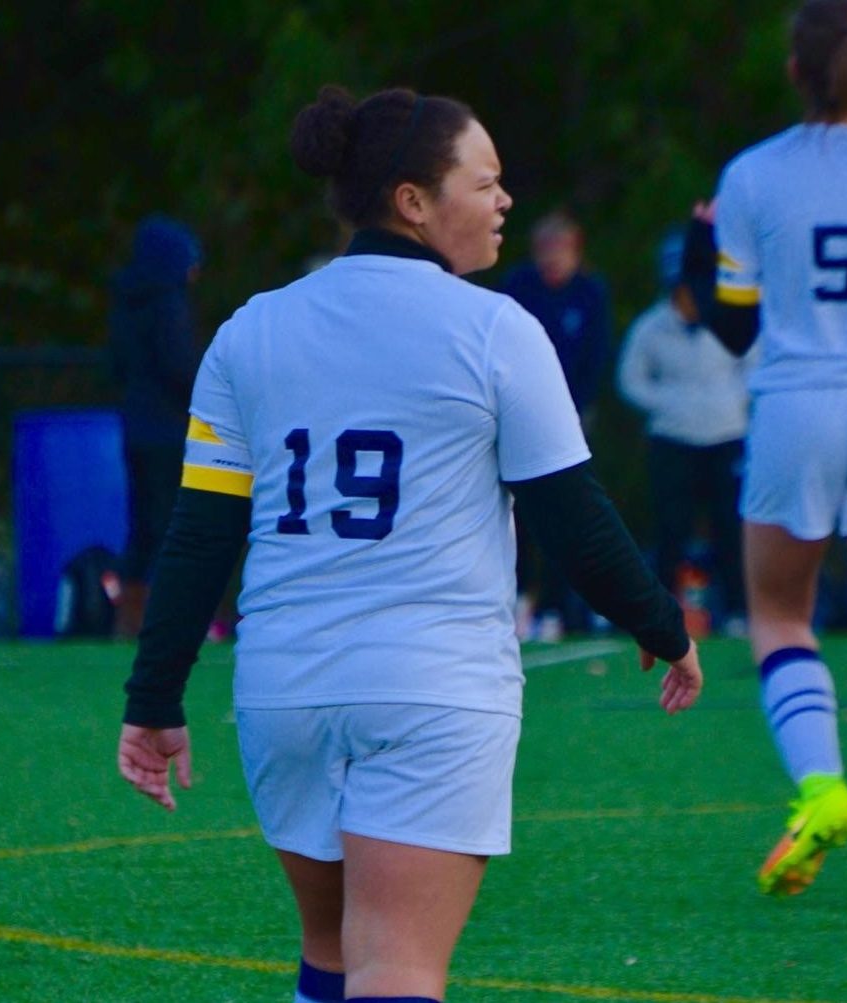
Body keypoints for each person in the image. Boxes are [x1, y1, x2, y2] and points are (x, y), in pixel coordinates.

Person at [117, 84, 702, 1003]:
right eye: (486, 181)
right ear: (412, 201)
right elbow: (572, 517)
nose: (505, 201)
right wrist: (663, 625)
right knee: (396, 969)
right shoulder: (497, 329)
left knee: (331, 958)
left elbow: (200, 536)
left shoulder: (249, 331)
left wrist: (153, 697)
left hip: (287, 691)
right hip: (433, 689)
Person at [687, 0, 847, 909]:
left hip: (796, 408)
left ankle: (820, 789)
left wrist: (694, 238)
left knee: (780, 614)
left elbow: (731, 325)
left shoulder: (751, 177)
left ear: (795, 70)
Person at [617, 227, 755, 636]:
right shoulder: (651, 328)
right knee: (672, 529)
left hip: (726, 434)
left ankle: (738, 613)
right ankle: (663, 615)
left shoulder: (729, 318)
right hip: (672, 438)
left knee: (730, 527)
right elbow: (631, 380)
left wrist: (731, 401)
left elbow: (755, 364)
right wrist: (668, 404)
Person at [499, 212, 612, 640]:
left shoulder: (589, 292)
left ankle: (560, 607)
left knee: (567, 515)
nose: (550, 259)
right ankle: (519, 601)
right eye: (543, 249)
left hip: (570, 419)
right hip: (520, 416)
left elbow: (597, 357)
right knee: (521, 513)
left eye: (558, 249)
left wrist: (575, 411)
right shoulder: (520, 288)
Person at [108, 214, 202, 637]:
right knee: (170, 526)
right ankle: (172, 619)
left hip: (134, 428)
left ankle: (128, 619)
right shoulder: (169, 305)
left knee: (142, 526)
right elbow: (180, 367)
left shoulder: (126, 304)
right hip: (167, 430)